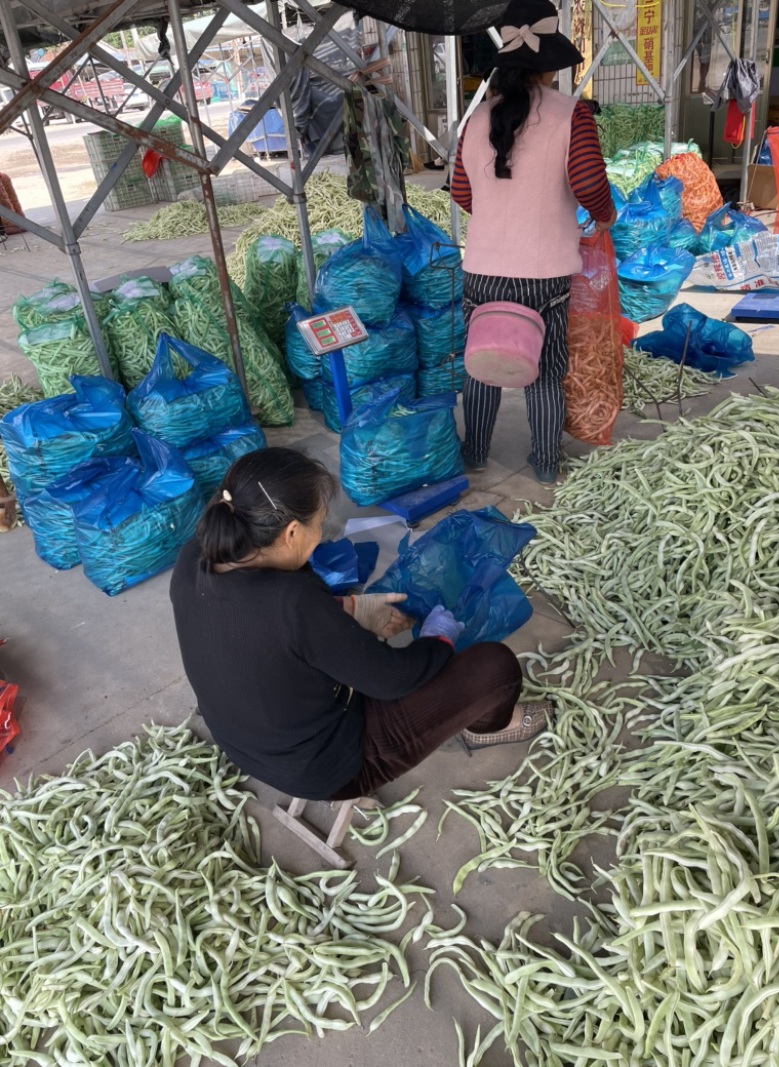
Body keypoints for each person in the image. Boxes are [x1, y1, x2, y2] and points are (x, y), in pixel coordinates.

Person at [170, 447, 551, 802]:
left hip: (242, 742)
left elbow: (258, 628)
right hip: (323, 768)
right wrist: (438, 641)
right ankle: (484, 728)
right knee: (496, 669)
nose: (321, 534)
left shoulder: (193, 557)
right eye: (318, 524)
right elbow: (392, 680)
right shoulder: (294, 604)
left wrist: (346, 609)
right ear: (290, 533)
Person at [450, 0, 616, 483]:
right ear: (548, 69)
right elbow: (588, 182)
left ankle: (476, 453)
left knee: (483, 360)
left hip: (481, 269)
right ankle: (545, 464)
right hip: (543, 276)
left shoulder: (477, 119)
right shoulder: (572, 115)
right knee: (545, 369)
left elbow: (462, 192)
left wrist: (501, 219)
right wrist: (604, 217)